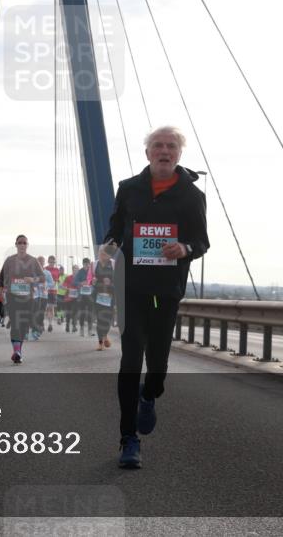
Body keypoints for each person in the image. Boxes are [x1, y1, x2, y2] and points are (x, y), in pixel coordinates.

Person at [103, 126, 209, 469]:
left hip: (165, 290)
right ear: (147, 152)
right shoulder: (128, 189)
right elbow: (115, 230)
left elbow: (202, 242)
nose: (165, 151)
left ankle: (150, 396)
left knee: (158, 366)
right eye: (158, 146)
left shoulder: (192, 196)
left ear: (179, 154)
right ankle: (128, 439)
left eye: (171, 146)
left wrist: (185, 248)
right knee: (130, 361)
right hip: (132, 288)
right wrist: (107, 250)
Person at [0, 235, 45, 364]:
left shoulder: (33, 260)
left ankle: (18, 350)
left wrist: (33, 279)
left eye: (24, 243)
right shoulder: (9, 260)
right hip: (12, 296)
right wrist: (0, 292)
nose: (22, 245)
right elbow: (1, 278)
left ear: (27, 245)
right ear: (16, 244)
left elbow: (42, 278)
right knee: (15, 323)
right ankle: (17, 351)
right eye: (20, 243)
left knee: (23, 325)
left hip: (28, 298)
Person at [92, 250, 116, 351]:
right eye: (101, 253)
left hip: (110, 296)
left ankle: (105, 335)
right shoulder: (94, 264)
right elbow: (89, 278)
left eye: (105, 254)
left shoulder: (114, 264)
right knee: (100, 319)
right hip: (98, 296)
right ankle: (100, 343)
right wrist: (92, 281)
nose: (102, 255)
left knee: (108, 319)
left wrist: (111, 282)